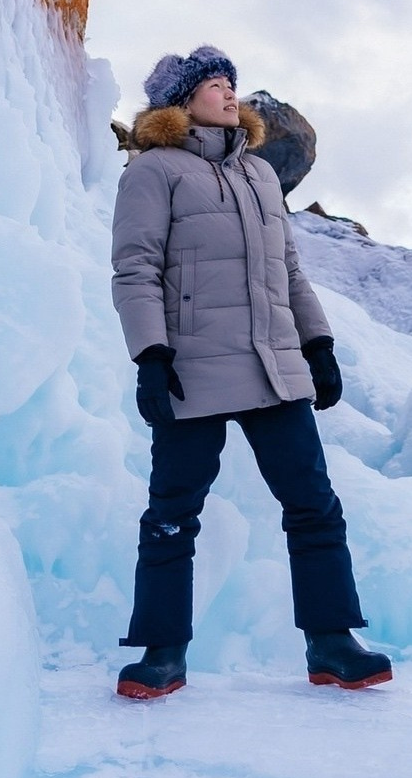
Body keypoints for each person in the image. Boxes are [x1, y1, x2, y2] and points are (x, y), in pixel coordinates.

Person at [110, 44, 392, 699]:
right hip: (193, 368)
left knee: (314, 506)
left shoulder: (260, 176)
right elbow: (135, 269)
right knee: (173, 513)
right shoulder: (154, 173)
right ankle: (161, 653)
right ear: (182, 102)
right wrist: (150, 357)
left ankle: (332, 643)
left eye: (230, 82)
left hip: (273, 367)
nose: (228, 92)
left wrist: (317, 344)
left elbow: (288, 272)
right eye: (212, 84)